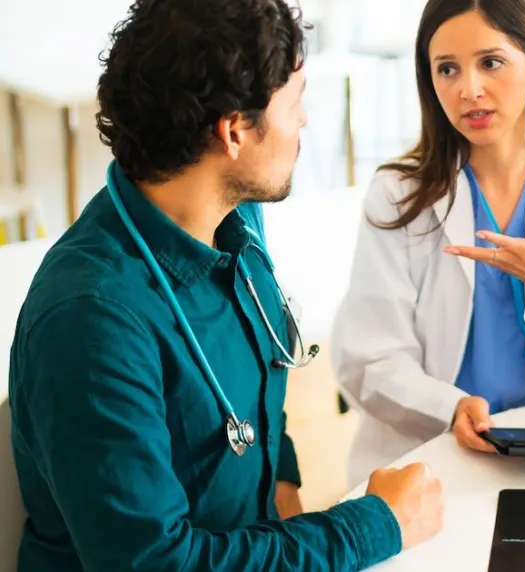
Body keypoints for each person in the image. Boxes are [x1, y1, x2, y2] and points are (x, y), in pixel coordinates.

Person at [6, 1, 442, 570]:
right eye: (296, 101)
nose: (305, 121)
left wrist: (284, 493)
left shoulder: (236, 222)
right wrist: (373, 526)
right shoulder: (91, 319)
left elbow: (257, 404)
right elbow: (157, 564)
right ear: (234, 130)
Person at [330, 0, 525, 485]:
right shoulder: (397, 195)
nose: (469, 90)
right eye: (447, 69)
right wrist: (450, 407)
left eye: (491, 62)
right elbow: (368, 360)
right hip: (429, 450)